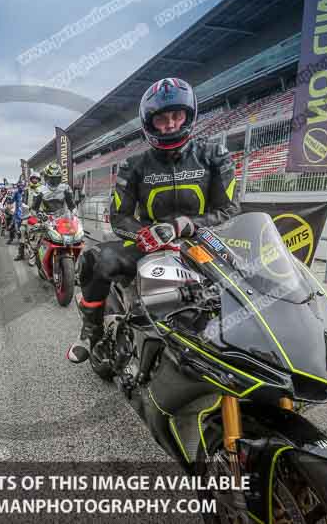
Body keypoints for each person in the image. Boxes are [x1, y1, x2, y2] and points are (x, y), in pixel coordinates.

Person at [75, 77, 240, 359]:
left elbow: (229, 209)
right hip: (151, 243)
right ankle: (91, 330)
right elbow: (120, 217)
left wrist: (187, 225)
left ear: (189, 116)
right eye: (162, 119)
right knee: (95, 259)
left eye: (177, 115)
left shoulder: (215, 154)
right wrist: (146, 234)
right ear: (150, 124)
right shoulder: (133, 164)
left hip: (203, 243)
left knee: (247, 285)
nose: (171, 124)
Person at [15, 171, 43, 262]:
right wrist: (25, 209)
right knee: (22, 230)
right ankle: (21, 254)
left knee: (41, 234)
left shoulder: (43, 189)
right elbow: (22, 202)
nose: (35, 180)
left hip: (40, 215)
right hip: (28, 214)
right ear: (31, 179)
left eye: (36, 178)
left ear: (39, 180)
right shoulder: (26, 190)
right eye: (33, 178)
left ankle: (40, 255)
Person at [7, 179, 25, 245]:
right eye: (20, 186)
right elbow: (11, 201)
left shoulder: (27, 192)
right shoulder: (16, 193)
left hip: (27, 213)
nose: (21, 187)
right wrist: (9, 203)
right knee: (12, 226)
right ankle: (11, 239)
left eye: (22, 186)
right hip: (18, 213)